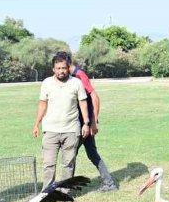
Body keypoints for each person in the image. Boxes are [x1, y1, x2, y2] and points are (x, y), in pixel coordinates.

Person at [32, 52, 90, 189]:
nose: (61, 71)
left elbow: (83, 103)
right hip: (51, 130)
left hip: (71, 130)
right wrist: (36, 124)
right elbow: (42, 104)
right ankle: (47, 192)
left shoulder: (76, 83)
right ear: (53, 69)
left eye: (64, 68)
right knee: (48, 164)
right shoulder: (47, 83)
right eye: (58, 68)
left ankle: (65, 192)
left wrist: (86, 123)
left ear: (68, 67)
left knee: (68, 164)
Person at [69, 55, 118, 192]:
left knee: (70, 155)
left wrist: (94, 122)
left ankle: (66, 190)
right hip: (83, 123)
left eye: (62, 66)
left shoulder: (79, 75)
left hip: (84, 124)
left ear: (67, 64)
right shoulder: (75, 75)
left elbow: (95, 97)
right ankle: (109, 183)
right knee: (91, 153)